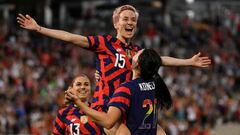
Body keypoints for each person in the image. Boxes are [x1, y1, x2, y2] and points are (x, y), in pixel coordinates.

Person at [17, 4, 211, 113]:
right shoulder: (105, 43)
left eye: (133, 20)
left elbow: (161, 59)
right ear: (116, 23)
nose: (130, 23)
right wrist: (40, 29)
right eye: (125, 19)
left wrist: (189, 62)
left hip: (128, 104)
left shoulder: (136, 50)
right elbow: (72, 37)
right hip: (106, 105)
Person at [65, 49, 172, 134]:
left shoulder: (126, 89)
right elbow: (157, 62)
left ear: (137, 64)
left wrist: (78, 103)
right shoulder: (155, 84)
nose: (132, 53)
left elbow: (108, 122)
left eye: (137, 53)